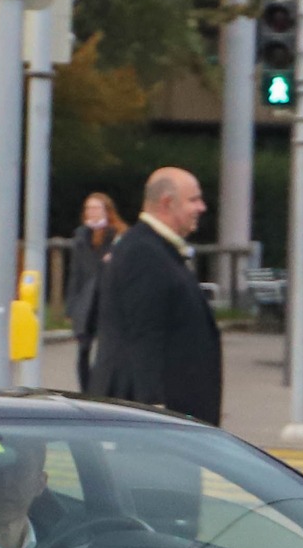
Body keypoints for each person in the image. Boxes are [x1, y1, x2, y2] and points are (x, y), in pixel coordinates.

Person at [93, 167, 222, 425]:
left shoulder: (157, 249)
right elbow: (144, 333)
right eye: (193, 200)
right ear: (167, 202)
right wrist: (152, 409)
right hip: (156, 423)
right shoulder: (143, 252)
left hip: (169, 419)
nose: (201, 207)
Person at [67, 193, 125, 396]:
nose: (91, 213)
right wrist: (71, 306)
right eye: (88, 208)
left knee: (106, 350)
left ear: (106, 211)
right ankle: (85, 391)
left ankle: (103, 391)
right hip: (85, 300)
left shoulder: (118, 235)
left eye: (96, 208)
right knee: (83, 350)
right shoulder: (81, 236)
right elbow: (75, 274)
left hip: (107, 299)